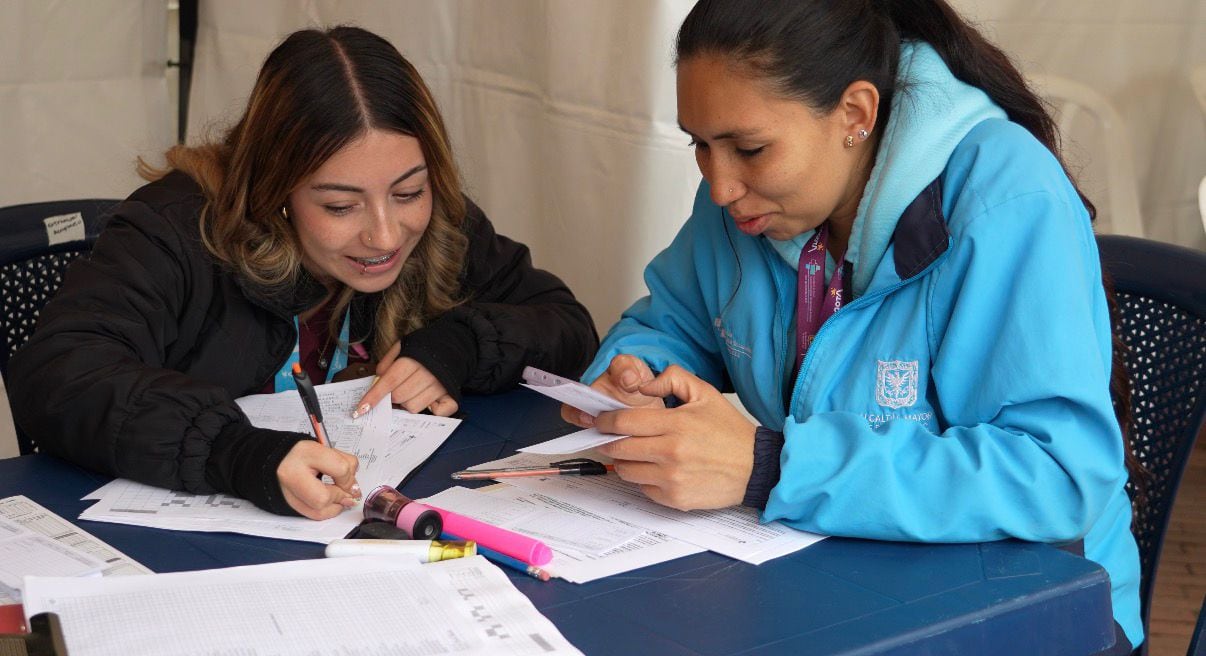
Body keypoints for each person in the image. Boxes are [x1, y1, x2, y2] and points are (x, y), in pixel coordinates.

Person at [562, 0, 1142, 650]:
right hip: (836, 583)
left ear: (855, 115)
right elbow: (673, 321)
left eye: (750, 148)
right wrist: (635, 376)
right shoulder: (746, 204)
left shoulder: (1004, 198)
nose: (719, 184)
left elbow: (1057, 476)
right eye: (700, 144)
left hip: (1034, 615)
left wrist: (771, 468)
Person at [9, 26, 598, 523]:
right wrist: (234, 452)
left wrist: (460, 342)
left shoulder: (438, 224)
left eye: (409, 191)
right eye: (340, 206)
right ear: (277, 191)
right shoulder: (175, 231)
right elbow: (59, 376)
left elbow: (565, 326)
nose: (386, 235)